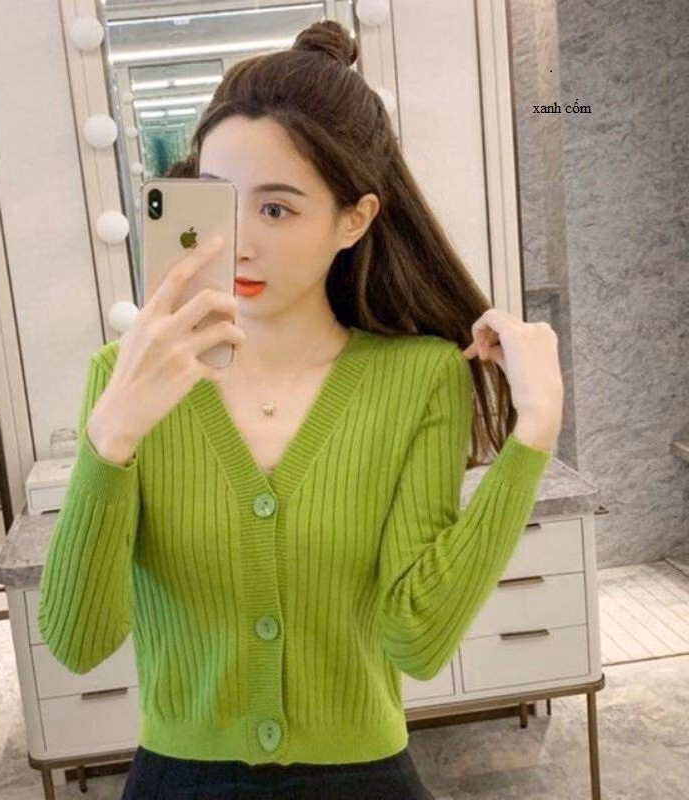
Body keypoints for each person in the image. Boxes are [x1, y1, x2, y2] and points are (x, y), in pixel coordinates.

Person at [38, 19, 563, 800]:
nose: (239, 243)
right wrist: (111, 434)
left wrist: (535, 434)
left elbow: (417, 638)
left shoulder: (420, 378)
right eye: (218, 202)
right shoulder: (123, 378)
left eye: (277, 210)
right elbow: (78, 642)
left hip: (365, 780)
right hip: (176, 780)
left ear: (354, 218)